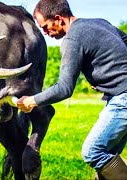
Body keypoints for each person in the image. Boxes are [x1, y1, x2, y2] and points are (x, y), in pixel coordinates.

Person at [16, 0, 127, 179]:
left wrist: (32, 101)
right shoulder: (99, 22)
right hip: (120, 95)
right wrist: (108, 72)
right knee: (106, 156)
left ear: (59, 19)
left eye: (45, 27)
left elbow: (64, 88)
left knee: (93, 152)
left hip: (123, 98)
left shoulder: (72, 39)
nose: (44, 33)